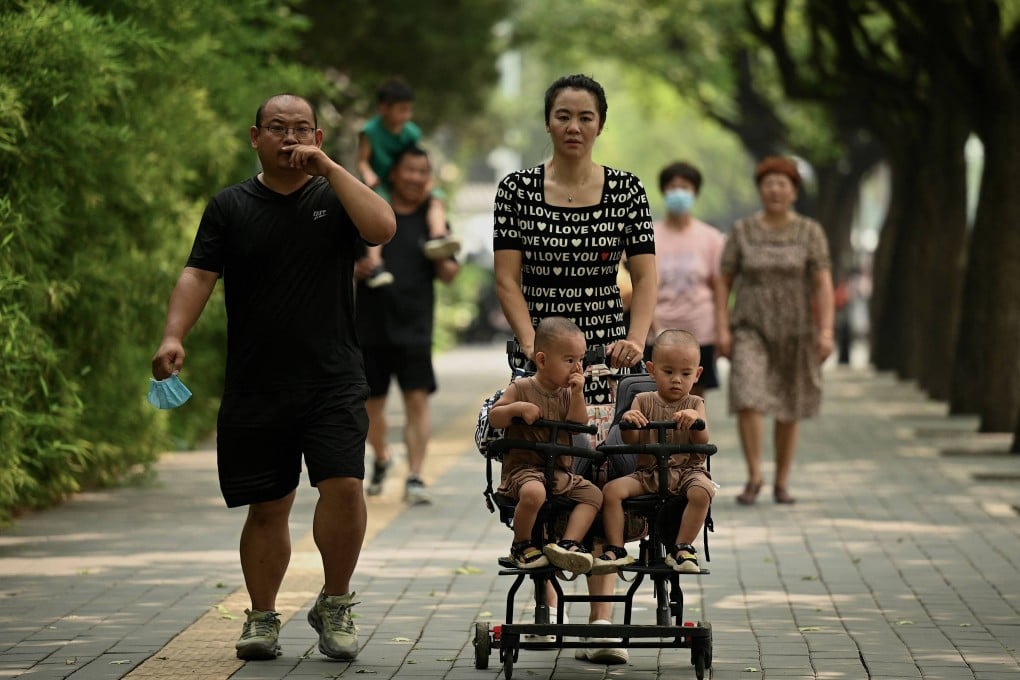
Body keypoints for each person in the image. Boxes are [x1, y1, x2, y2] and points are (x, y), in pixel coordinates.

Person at [150, 94, 396, 662]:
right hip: (257, 381)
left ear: (315, 135)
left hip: (333, 377)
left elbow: (382, 228)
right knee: (268, 506)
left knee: (344, 486)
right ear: (254, 136)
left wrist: (331, 168)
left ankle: (335, 603)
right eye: (278, 128)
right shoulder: (230, 206)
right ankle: (262, 618)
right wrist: (172, 335)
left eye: (301, 129)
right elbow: (198, 273)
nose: (290, 138)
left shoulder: (334, 196)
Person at [493, 73, 657, 664]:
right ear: (547, 122)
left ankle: (602, 619)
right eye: (563, 115)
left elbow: (644, 275)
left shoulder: (627, 191)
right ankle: (543, 601)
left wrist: (636, 341)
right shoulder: (515, 190)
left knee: (601, 463)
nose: (574, 127)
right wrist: (529, 343)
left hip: (607, 362)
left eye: (585, 117)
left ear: (600, 125)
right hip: (537, 361)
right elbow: (507, 277)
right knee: (538, 465)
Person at [716, 156, 835, 506]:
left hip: (797, 329)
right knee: (748, 396)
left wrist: (826, 331)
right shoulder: (742, 231)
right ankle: (755, 475)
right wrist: (722, 327)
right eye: (769, 184)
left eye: (783, 184)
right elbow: (724, 280)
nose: (775, 190)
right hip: (750, 326)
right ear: (760, 190)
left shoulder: (810, 232)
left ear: (794, 192)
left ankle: (783, 481)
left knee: (788, 403)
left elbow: (823, 283)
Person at [354, 145, 460, 505]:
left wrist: (441, 251)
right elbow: (347, 266)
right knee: (371, 405)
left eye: (422, 172)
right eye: (409, 170)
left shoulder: (432, 219)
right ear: (394, 175)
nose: (415, 178)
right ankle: (382, 455)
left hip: (415, 326)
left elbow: (448, 274)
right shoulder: (370, 213)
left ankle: (415, 476)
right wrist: (359, 269)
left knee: (417, 401)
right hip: (370, 325)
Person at [486, 317, 602, 575]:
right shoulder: (522, 387)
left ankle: (568, 544)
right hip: (523, 471)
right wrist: (517, 408)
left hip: (559, 472)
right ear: (542, 360)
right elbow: (495, 416)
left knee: (593, 495)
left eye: (580, 360)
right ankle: (521, 545)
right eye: (569, 360)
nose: (577, 368)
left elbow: (578, 423)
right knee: (534, 493)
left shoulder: (567, 393)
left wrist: (578, 395)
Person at [596, 330, 713, 575]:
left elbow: (703, 441)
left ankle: (682, 547)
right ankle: (616, 548)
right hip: (648, 473)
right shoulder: (643, 400)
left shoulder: (695, 403)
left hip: (686, 472)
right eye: (668, 372)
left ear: (697, 374)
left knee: (703, 491)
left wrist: (696, 421)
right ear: (651, 369)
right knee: (611, 491)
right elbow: (631, 441)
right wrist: (629, 420)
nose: (676, 380)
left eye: (685, 374)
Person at [356, 77, 459, 286]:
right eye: (401, 110)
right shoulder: (370, 132)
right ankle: (375, 264)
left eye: (409, 110)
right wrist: (368, 175)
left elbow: (415, 157)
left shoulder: (411, 132)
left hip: (397, 181)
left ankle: (437, 236)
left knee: (436, 197)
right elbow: (362, 161)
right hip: (380, 184)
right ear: (383, 108)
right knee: (379, 214)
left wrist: (425, 182)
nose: (406, 116)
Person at [647, 161, 727, 397]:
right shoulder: (649, 235)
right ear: (663, 191)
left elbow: (720, 287)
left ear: (695, 192)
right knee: (654, 401)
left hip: (700, 331)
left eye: (685, 187)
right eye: (672, 187)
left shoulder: (711, 238)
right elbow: (639, 284)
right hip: (658, 331)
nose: (679, 192)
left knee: (694, 402)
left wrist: (722, 330)